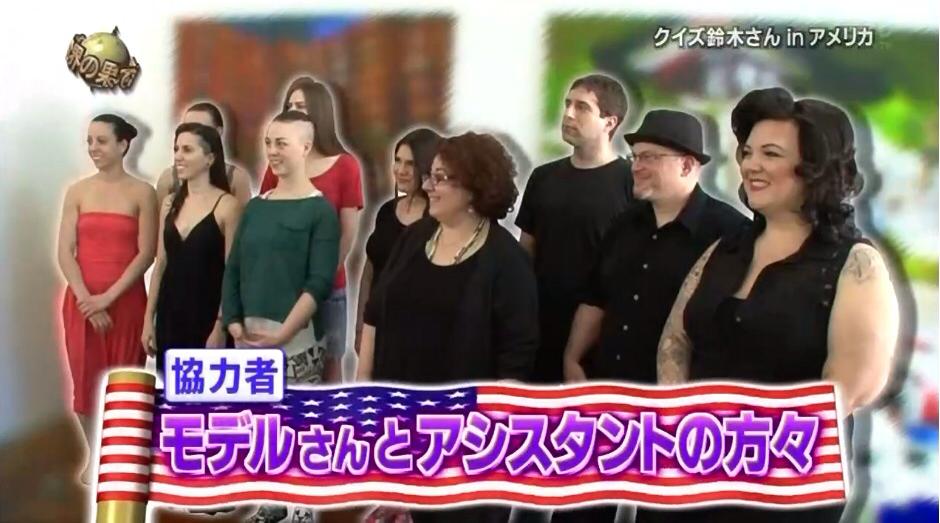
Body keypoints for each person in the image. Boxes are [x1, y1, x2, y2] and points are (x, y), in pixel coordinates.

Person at [656, 87, 899, 523]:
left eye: (770, 154)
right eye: (748, 152)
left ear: (815, 168)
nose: (751, 165)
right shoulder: (725, 249)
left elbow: (850, 389)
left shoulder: (855, 263)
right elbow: (676, 336)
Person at [558, 110, 747, 523]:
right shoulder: (624, 224)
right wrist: (572, 358)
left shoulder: (730, 234)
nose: (636, 167)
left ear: (687, 165)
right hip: (604, 395)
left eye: (649, 157)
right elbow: (596, 296)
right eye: (635, 157)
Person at [357, 132, 538, 523]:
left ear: (473, 187)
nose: (428, 186)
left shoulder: (506, 262)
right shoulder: (415, 237)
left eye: (440, 178)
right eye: (430, 176)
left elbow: (515, 364)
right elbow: (375, 313)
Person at [222, 111, 339, 523]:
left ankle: (301, 510)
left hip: (297, 340)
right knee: (259, 426)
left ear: (305, 148)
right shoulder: (255, 208)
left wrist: (284, 333)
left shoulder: (320, 212)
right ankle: (270, 502)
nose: (272, 151)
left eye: (282, 143)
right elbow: (234, 268)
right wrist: (233, 322)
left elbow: (318, 282)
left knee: (295, 425)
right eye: (269, 142)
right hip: (248, 339)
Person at [58, 114, 157, 483]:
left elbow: (146, 253)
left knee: (125, 378)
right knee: (84, 379)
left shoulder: (143, 192)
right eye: (89, 141)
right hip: (80, 303)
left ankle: (123, 455)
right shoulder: (77, 191)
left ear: (123, 144)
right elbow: (65, 251)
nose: (93, 148)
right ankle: (94, 454)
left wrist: (108, 298)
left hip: (127, 302)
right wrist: (87, 299)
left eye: (101, 141)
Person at [515, 73, 633, 385]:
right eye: (567, 104)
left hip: (600, 338)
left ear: (610, 122)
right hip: (539, 330)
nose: (568, 114)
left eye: (582, 107)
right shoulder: (543, 178)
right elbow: (525, 252)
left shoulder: (630, 182)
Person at [259, 77, 363, 383]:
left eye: (301, 106)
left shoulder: (345, 166)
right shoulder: (277, 165)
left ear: (319, 111)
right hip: (282, 287)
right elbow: (264, 221)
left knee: (330, 368)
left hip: (327, 288)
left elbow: (347, 234)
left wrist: (318, 281)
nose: (294, 110)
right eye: (289, 105)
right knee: (283, 367)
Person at [142, 123, 241, 376]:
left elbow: (233, 272)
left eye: (187, 150)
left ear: (210, 158)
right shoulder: (169, 203)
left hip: (208, 316)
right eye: (176, 149)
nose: (178, 156)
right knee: (171, 392)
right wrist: (148, 320)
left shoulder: (227, 206)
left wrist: (220, 325)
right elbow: (161, 264)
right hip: (170, 315)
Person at [355, 127, 443, 354]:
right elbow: (370, 271)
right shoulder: (386, 211)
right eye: (398, 160)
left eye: (410, 164)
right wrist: (360, 327)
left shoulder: (439, 220)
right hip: (376, 329)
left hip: (415, 338)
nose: (401, 170)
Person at [155, 102, 252, 205]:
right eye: (187, 128)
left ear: (218, 132)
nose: (191, 134)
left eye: (200, 129)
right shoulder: (168, 179)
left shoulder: (236, 179)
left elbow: (244, 214)